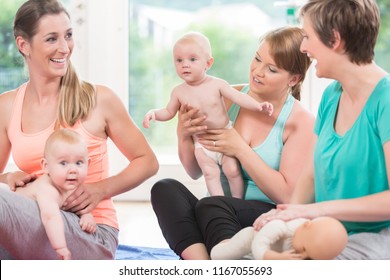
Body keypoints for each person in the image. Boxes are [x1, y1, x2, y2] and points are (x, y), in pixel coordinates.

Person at [0, 0, 158, 260]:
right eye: (51, 39)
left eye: (68, 35)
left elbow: (147, 161)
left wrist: (100, 190)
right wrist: (9, 178)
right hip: (34, 226)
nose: (64, 48)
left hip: (90, 231)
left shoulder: (98, 99)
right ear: (23, 45)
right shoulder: (7, 106)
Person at [151, 26, 314, 260]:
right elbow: (195, 171)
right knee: (164, 189)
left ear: (294, 78)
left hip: (262, 216)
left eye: (271, 69)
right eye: (257, 59)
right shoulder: (227, 96)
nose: (257, 71)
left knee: (212, 205)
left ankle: (222, 255)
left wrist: (239, 148)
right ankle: (204, 266)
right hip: (214, 212)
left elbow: (287, 196)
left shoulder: (300, 122)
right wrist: (183, 135)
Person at [253, 0, 390, 260]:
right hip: (321, 232)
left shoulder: (386, 100)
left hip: (375, 238)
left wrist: (317, 210)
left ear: (334, 39)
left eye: (307, 36)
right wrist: (286, 214)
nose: (303, 47)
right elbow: (311, 175)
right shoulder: (331, 95)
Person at [143, 31, 273, 199]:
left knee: (232, 171)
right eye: (179, 60)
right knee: (210, 174)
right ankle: (219, 203)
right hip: (201, 143)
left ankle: (236, 202)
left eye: (192, 59)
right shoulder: (178, 92)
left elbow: (239, 97)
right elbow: (168, 112)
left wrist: (258, 106)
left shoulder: (217, 84)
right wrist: (153, 113)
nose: (185, 65)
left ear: (208, 63)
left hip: (223, 137)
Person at [14, 129, 95, 260]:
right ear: (46, 166)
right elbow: (50, 217)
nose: (73, 170)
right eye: (63, 163)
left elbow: (80, 206)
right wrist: (60, 247)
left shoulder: (71, 185)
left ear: (88, 164)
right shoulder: (47, 189)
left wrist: (87, 216)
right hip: (11, 211)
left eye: (79, 163)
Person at [210, 216, 348, 260]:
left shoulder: (306, 239)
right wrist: (278, 258)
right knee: (219, 256)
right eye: (305, 249)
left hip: (274, 249)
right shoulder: (280, 227)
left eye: (310, 257)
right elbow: (257, 246)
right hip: (253, 239)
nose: (303, 255)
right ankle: (227, 242)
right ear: (306, 225)